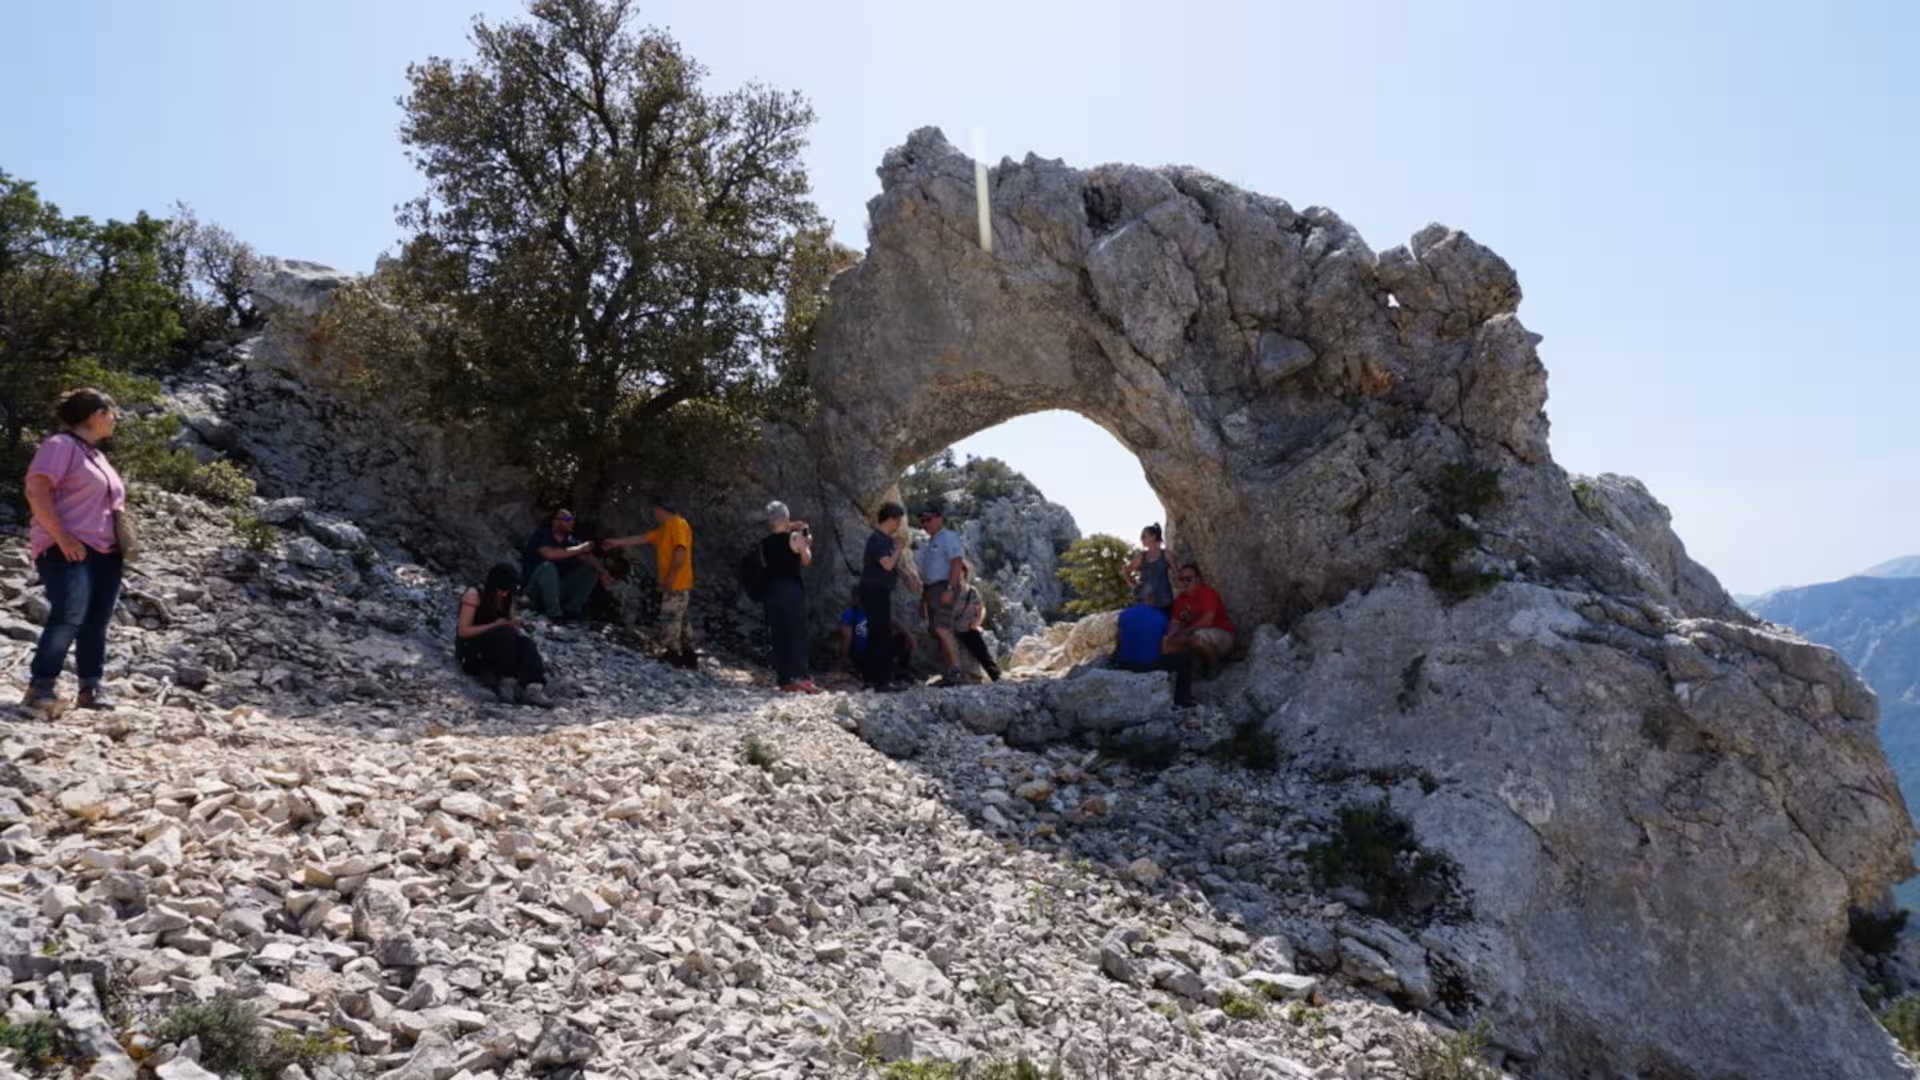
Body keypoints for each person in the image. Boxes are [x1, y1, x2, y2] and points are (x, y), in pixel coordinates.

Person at [21, 389, 127, 714]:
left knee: (96, 621)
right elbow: (36, 489)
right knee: (68, 616)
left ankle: (90, 688)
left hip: (105, 551)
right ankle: (41, 688)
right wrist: (62, 537)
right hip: (67, 548)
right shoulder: (59, 446)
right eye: (112, 412)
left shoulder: (95, 454)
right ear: (96, 414)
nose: (116, 418)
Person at [606, 497, 696, 669]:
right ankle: (689, 655)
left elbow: (680, 550)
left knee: (670, 615)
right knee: (680, 618)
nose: (654, 514)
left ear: (662, 510)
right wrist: (617, 542)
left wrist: (671, 576)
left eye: (656, 511)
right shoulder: (664, 529)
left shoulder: (678, 524)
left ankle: (672, 653)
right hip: (673, 581)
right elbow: (643, 538)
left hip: (677, 581)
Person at [455, 564, 554, 707]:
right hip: (474, 648)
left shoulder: (507, 598)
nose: (504, 594)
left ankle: (534, 686)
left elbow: (510, 622)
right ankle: (506, 681)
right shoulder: (474, 594)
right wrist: (495, 625)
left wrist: (514, 623)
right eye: (502, 590)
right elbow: (463, 631)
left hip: (500, 646)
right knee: (503, 633)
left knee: (526, 643)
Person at [760, 501, 819, 693]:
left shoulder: (765, 542)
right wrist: (805, 542)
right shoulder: (793, 537)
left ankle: (784, 678)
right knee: (796, 632)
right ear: (785, 517)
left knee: (779, 633)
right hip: (790, 588)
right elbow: (806, 559)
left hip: (770, 590)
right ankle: (801, 676)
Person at [521, 509, 609, 620]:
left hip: (558, 591)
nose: (571, 522)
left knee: (590, 571)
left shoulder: (571, 540)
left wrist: (602, 571)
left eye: (572, 519)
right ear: (555, 521)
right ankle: (554, 613)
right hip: (535, 590)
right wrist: (579, 548)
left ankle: (571, 610)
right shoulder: (542, 534)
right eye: (567, 519)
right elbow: (550, 554)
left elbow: (586, 557)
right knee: (548, 567)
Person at [916, 504, 968, 687]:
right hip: (931, 590)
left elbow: (956, 563)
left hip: (944, 587)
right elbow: (928, 574)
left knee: (942, 628)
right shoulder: (931, 543)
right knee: (938, 631)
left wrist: (950, 588)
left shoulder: (947, 537)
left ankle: (956, 671)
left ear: (940, 518)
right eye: (922, 521)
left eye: (928, 519)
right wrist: (923, 600)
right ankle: (948, 674)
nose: (925, 524)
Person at [860, 503, 909, 691]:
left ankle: (871, 679)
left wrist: (906, 576)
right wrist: (898, 549)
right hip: (874, 590)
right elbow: (887, 564)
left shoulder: (884, 540)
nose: (899, 526)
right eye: (898, 521)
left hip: (878, 590)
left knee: (877, 634)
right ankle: (882, 681)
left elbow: (892, 567)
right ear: (890, 519)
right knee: (882, 634)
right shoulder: (878, 539)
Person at [1111, 602, 1197, 709]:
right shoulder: (1159, 617)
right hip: (1149, 666)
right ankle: (1182, 699)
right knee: (1184, 659)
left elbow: (1119, 642)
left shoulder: (1124, 615)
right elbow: (1164, 649)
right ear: (1150, 598)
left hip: (1126, 665)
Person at [1167, 563, 1236, 675]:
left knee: (1198, 637)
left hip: (1222, 637)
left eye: (1189, 579)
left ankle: (1215, 664)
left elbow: (1207, 620)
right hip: (1196, 635)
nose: (1185, 582)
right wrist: (1171, 634)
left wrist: (1185, 631)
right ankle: (1195, 669)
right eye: (1182, 579)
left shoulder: (1207, 593)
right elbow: (1175, 622)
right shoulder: (1180, 599)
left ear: (1198, 579)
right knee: (1171, 642)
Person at [838, 587, 915, 680]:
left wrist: (910, 637)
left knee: (900, 638)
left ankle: (902, 670)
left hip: (877, 650)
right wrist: (844, 658)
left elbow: (894, 622)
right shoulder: (850, 613)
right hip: (862, 653)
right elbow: (846, 639)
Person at [952, 576, 1002, 682]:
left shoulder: (971, 591)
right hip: (953, 630)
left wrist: (977, 622)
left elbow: (981, 607)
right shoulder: (948, 591)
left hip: (969, 627)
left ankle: (996, 676)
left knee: (982, 653)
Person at [1122, 523, 1175, 614]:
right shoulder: (1141, 557)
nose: (1141, 539)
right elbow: (1127, 571)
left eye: (1144, 536)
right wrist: (1134, 586)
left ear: (1153, 537)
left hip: (1164, 601)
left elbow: (1178, 574)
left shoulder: (1166, 555)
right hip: (1144, 602)